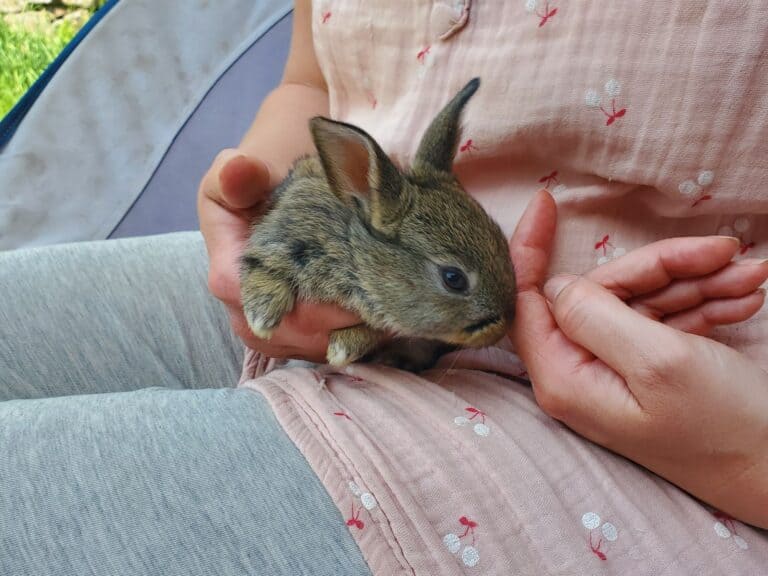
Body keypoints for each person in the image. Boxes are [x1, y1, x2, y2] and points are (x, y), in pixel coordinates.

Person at [2, 1, 767, 575]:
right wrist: (255, 196)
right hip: (359, 275)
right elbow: (311, 79)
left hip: (682, 421)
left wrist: (742, 455)